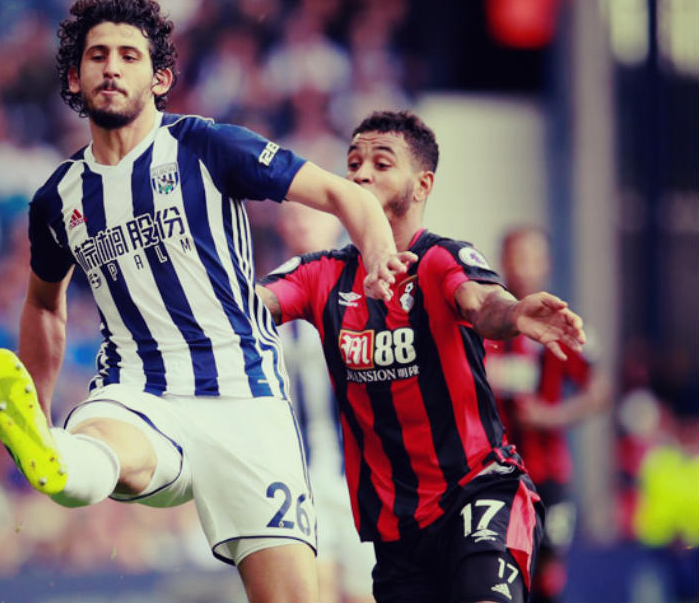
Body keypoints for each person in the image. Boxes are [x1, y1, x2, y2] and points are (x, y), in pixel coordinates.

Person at [0, 0, 414, 603]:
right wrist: (38, 408)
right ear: (74, 79)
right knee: (99, 443)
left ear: (159, 79)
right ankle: (56, 454)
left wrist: (377, 254)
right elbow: (43, 304)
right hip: (138, 391)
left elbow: (345, 195)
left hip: (245, 399)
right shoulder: (58, 199)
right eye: (97, 55)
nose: (111, 68)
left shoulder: (208, 146)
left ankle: (64, 458)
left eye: (129, 56)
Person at [258, 110, 587, 603]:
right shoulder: (319, 274)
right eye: (353, 163)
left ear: (422, 185)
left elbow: (482, 304)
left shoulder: (440, 259)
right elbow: (247, 306)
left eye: (381, 163)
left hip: (478, 492)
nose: (360, 174)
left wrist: (515, 312)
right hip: (397, 528)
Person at [484, 226, 610, 603]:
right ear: (503, 261)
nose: (525, 266)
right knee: (496, 574)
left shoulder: (564, 323)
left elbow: (599, 392)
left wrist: (549, 416)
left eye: (533, 257)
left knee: (548, 575)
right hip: (491, 476)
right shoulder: (482, 324)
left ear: (547, 263)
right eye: (517, 256)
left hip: (548, 475)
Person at [274, 201, 377, 603]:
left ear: (337, 221)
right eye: (293, 214)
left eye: (311, 213)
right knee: (314, 591)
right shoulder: (268, 296)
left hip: (361, 476)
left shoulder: (364, 290)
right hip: (299, 478)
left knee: (366, 592)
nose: (302, 223)